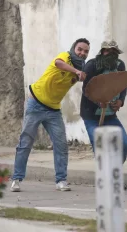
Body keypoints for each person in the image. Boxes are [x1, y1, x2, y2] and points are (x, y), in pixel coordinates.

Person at [11, 38, 90, 192]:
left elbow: (88, 78)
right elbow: (58, 63)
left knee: (61, 145)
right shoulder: (64, 57)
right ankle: (16, 179)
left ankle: (61, 181)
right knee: (26, 142)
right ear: (74, 48)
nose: (82, 53)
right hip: (35, 104)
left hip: (53, 110)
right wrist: (76, 71)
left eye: (86, 51)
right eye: (80, 49)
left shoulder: (81, 68)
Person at [80, 40, 127, 163]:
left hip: (110, 116)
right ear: (102, 52)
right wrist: (98, 102)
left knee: (124, 144)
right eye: (108, 51)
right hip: (91, 116)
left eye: (114, 51)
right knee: (100, 147)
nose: (111, 54)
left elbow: (122, 86)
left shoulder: (119, 66)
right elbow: (86, 90)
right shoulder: (92, 65)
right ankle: (104, 177)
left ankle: (114, 173)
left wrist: (120, 101)